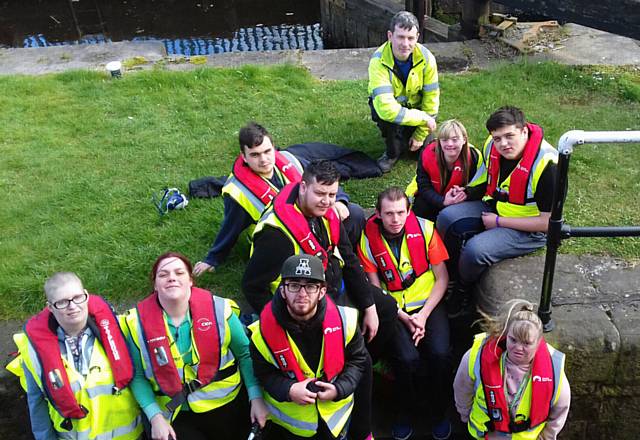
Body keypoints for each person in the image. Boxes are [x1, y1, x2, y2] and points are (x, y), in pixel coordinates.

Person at [122, 252, 269, 440]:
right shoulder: (135, 324)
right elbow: (138, 376)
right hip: (175, 416)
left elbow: (245, 354)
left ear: (191, 280)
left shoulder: (220, 310)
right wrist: (155, 418)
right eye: (163, 274)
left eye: (179, 273)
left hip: (228, 406)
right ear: (155, 285)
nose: (172, 278)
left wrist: (255, 397)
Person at [193, 122, 364, 276]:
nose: (264, 160)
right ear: (243, 156)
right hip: (281, 237)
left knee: (354, 213)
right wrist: (212, 258)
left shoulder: (290, 159)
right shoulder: (237, 191)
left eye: (267, 151)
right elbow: (230, 227)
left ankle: (349, 261)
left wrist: (340, 200)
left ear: (273, 147)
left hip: (314, 218)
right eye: (255, 155)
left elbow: (322, 178)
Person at [436, 106, 558, 316]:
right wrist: (467, 192)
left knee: (475, 251)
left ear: (524, 131)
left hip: (530, 229)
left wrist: (499, 222)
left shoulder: (548, 166)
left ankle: (463, 290)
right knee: (446, 217)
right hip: (495, 207)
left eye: (509, 136)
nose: (503, 144)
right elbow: (487, 177)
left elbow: (548, 223)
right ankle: (449, 276)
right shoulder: (491, 146)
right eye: (497, 138)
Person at [357, 187, 452, 440]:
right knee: (407, 360)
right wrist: (402, 316)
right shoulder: (367, 238)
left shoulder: (426, 229)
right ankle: (404, 412)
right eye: (389, 213)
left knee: (441, 354)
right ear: (378, 213)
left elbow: (442, 278)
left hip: (428, 305)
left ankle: (439, 412)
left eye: (400, 212)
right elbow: (375, 289)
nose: (395, 219)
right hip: (393, 310)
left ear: (409, 211)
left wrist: (422, 316)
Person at [7, 272, 142, 440]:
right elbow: (36, 403)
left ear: (86, 295)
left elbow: (140, 379)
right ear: (50, 307)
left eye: (78, 297)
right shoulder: (33, 350)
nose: (72, 306)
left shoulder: (120, 330)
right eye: (62, 302)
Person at [249, 254, 370, 440]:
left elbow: (358, 360)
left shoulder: (347, 321)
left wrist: (340, 389)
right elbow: (264, 374)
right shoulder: (260, 334)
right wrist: (289, 390)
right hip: (292, 428)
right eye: (294, 285)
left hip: (336, 423)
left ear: (322, 291)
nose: (302, 294)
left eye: (311, 286)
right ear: (282, 290)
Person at [453, 300, 570, 439]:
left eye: (526, 343)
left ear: (538, 342)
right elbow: (462, 389)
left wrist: (546, 437)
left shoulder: (554, 372)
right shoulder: (476, 356)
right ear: (506, 335)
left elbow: (559, 413)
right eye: (513, 340)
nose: (518, 348)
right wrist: (465, 415)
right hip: (483, 435)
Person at [368, 10, 439, 173]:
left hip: (417, 108)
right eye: (400, 37)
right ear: (390, 36)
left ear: (418, 37)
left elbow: (432, 99)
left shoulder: (427, 59)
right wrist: (423, 118)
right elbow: (387, 110)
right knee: (388, 123)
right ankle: (392, 153)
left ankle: (409, 138)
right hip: (392, 111)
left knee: (422, 154)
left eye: (411, 38)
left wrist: (420, 134)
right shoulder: (377, 61)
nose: (405, 44)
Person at [406, 119, 486, 221]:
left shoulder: (474, 157)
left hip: (461, 200)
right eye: (444, 140)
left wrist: (466, 193)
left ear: (464, 140)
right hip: (431, 195)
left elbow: (482, 186)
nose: (450, 144)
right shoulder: (427, 154)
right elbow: (423, 186)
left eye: (455, 139)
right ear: (439, 141)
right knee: (419, 214)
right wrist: (442, 201)